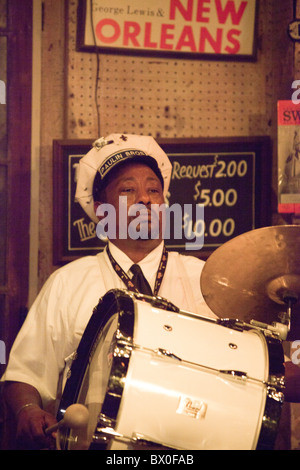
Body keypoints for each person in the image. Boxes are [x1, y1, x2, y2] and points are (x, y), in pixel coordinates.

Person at [1, 133, 217, 449]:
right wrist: (28, 409)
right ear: (103, 212)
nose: (145, 199)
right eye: (128, 190)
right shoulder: (67, 282)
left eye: (153, 189)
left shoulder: (205, 279)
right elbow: (25, 374)